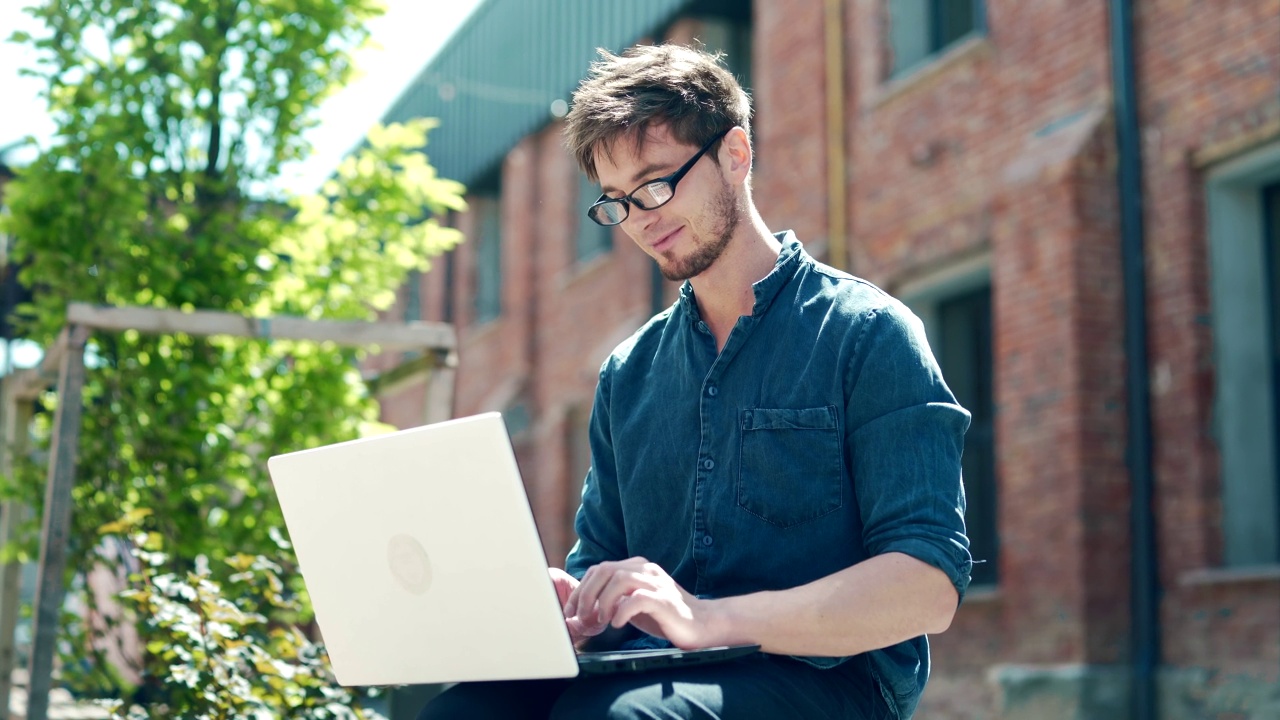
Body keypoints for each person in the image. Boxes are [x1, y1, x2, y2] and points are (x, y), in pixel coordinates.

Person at [420, 43, 972, 720]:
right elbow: (602, 558)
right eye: (618, 202)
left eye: (656, 183)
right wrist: (580, 604)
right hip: (653, 667)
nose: (643, 218)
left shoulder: (867, 333)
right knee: (460, 712)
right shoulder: (629, 373)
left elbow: (925, 587)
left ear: (734, 155)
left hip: (831, 682)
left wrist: (704, 617)